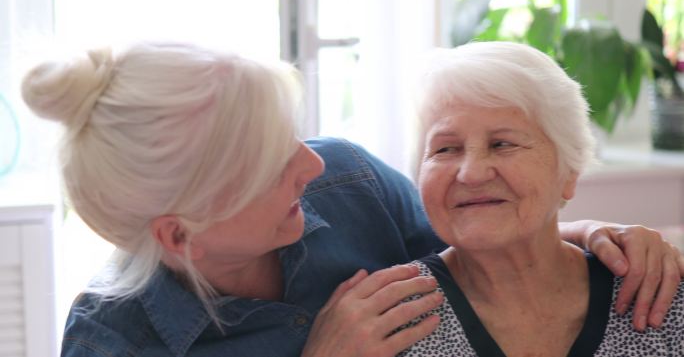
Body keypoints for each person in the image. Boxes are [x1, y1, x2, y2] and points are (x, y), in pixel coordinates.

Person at [21, 41, 683, 357]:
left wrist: (591, 229)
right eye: (270, 164)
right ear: (180, 234)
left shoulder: (347, 181)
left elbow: (481, 230)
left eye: (293, 136)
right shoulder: (114, 341)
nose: (309, 163)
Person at [398, 41, 684, 357]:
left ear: (569, 172)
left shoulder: (658, 293)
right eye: (445, 149)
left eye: (502, 144)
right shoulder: (390, 320)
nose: (472, 173)